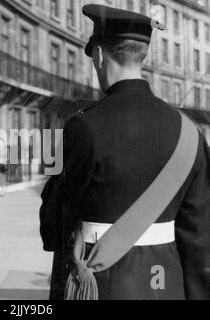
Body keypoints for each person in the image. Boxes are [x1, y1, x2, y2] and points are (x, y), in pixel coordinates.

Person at [40, 4, 210, 300]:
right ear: (142, 55)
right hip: (167, 283)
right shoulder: (190, 133)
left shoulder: (82, 126)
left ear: (99, 55)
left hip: (105, 283)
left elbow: (55, 219)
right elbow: (200, 239)